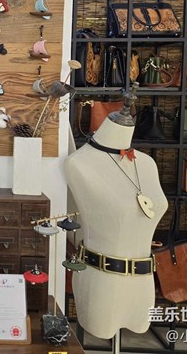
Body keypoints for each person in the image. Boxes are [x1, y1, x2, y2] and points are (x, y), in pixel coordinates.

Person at [64, 86, 167, 339]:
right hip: (103, 281)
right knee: (103, 330)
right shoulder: (79, 164)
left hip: (143, 284)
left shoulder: (147, 164)